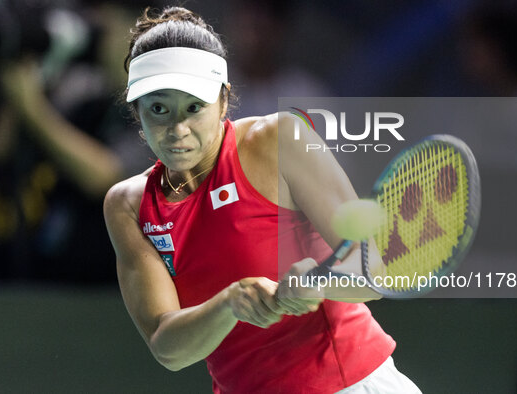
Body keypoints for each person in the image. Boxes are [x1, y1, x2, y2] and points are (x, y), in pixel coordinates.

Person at [103, 6, 422, 393]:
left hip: (350, 383)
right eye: (159, 109)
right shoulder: (128, 206)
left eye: (193, 107)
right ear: (136, 112)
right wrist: (229, 304)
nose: (178, 129)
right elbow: (169, 349)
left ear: (223, 100)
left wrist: (321, 281)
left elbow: (377, 267)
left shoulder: (280, 139)